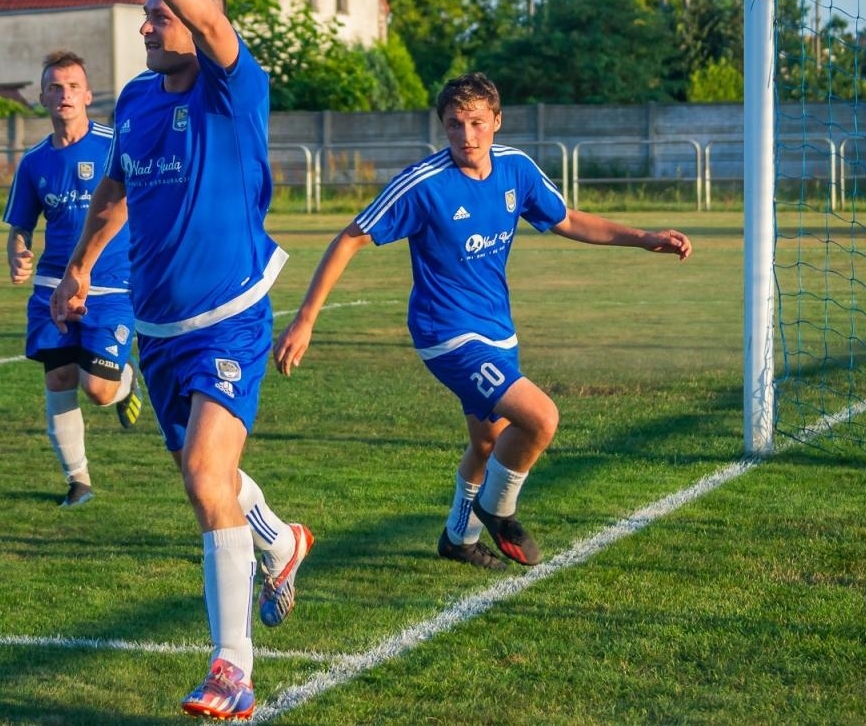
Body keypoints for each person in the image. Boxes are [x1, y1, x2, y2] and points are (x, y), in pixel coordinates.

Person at [52, 0, 309, 720]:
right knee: (211, 480)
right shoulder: (132, 103)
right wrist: (84, 265)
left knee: (206, 477)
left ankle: (232, 670)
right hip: (156, 326)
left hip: (230, 317)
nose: (147, 22)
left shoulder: (231, 89)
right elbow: (117, 190)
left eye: (158, 12)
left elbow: (204, 14)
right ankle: (281, 540)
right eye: (146, 12)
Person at [274, 72, 691, 572]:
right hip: (445, 334)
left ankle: (459, 538)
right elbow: (350, 238)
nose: (466, 136)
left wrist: (644, 237)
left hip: (496, 328)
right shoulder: (424, 184)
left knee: (488, 443)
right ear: (442, 127)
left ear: (496, 121)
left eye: (476, 123)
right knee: (541, 418)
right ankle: (497, 509)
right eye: (454, 124)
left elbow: (569, 219)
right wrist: (305, 318)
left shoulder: (516, 170)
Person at [4, 49, 144, 508]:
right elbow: (21, 227)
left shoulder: (115, 144)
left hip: (112, 287)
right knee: (60, 376)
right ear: (43, 96)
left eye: (72, 87)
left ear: (87, 95)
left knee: (98, 390)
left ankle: (124, 380)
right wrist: (19, 252)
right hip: (52, 288)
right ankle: (78, 479)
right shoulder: (33, 162)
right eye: (54, 87)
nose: (64, 94)